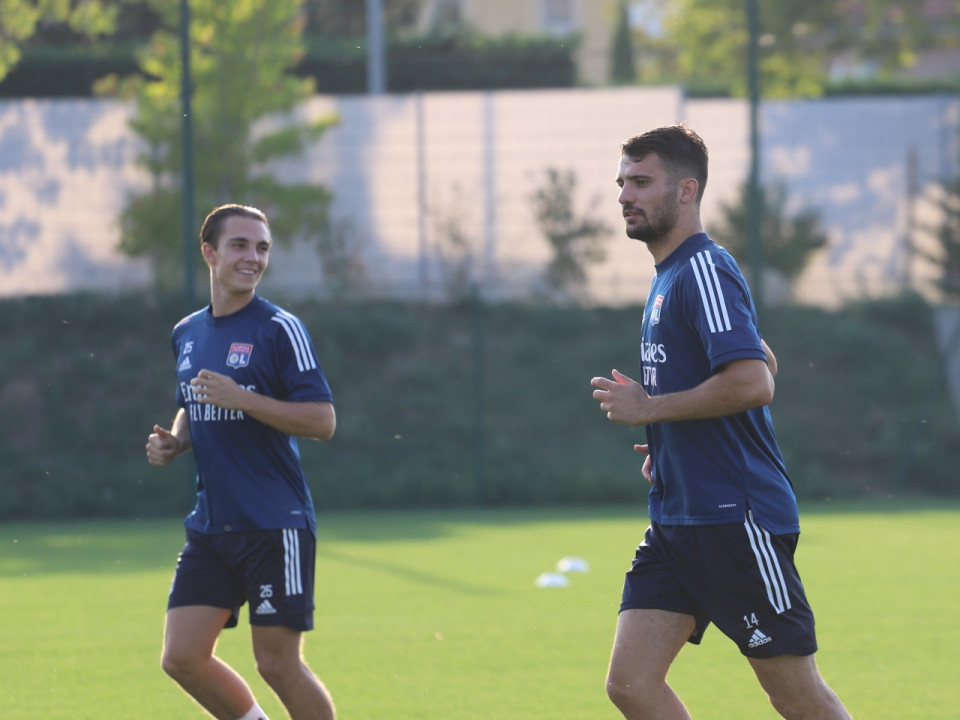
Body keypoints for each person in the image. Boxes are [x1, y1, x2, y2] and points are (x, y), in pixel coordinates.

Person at [590, 125, 852, 720]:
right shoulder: (668, 276)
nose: (625, 196)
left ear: (686, 190)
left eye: (641, 182)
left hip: (735, 519)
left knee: (795, 694)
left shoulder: (704, 267)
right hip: (677, 519)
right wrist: (673, 443)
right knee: (631, 685)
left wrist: (650, 410)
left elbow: (754, 381)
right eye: (622, 183)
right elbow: (761, 361)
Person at [145, 204, 337, 720]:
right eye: (240, 245)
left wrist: (245, 398)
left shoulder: (280, 328)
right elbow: (195, 402)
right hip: (212, 525)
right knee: (182, 658)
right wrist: (176, 442)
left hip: (273, 522)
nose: (253, 257)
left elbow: (322, 421)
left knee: (277, 664)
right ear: (209, 252)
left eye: (262, 248)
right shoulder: (187, 332)